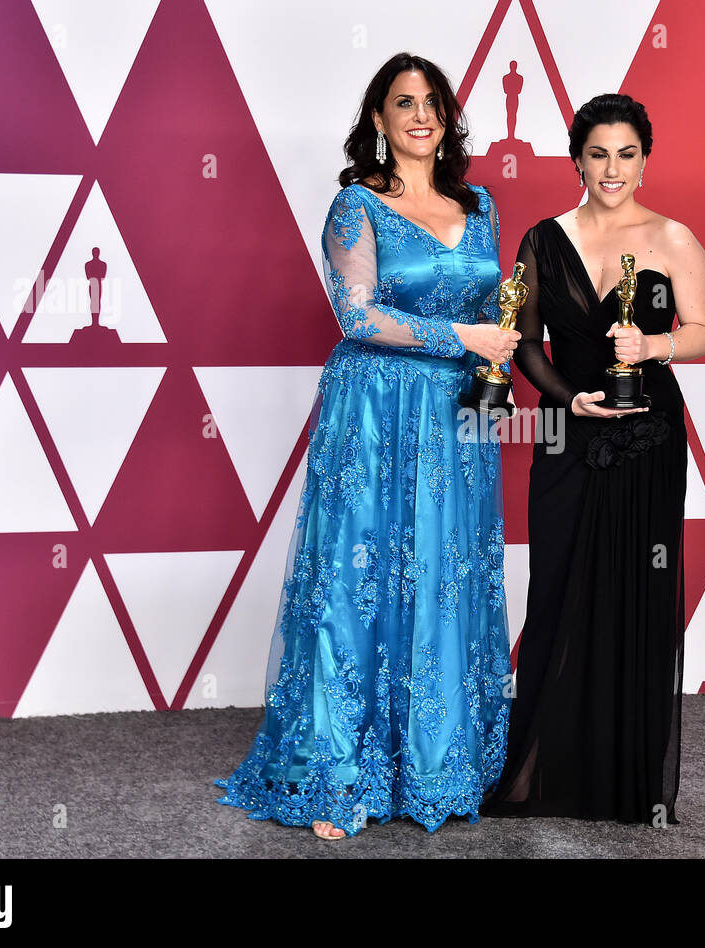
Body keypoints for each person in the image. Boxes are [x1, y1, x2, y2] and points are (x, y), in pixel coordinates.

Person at [215, 53, 519, 840]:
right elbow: (357, 317)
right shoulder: (356, 206)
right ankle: (336, 768)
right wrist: (463, 335)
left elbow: (496, 305)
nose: (420, 115)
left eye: (432, 102)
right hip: (377, 411)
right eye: (402, 103)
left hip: (455, 419)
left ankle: (439, 760)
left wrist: (497, 355)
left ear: (448, 117)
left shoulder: (478, 204)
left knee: (446, 573)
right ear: (379, 121)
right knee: (361, 573)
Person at [483, 93, 705, 825]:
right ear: (576, 157)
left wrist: (653, 346)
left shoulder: (674, 239)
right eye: (597, 153)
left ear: (645, 159)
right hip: (565, 430)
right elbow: (522, 343)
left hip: (649, 437)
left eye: (626, 154)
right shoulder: (541, 240)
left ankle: (624, 784)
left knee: (634, 596)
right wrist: (568, 401)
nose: (611, 169)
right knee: (555, 590)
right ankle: (537, 776)